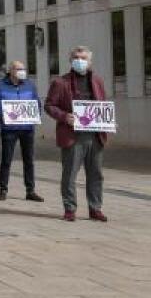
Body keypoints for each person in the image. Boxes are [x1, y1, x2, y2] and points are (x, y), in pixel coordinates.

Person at [45, 46, 109, 222]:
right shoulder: (60, 82)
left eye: (83, 58)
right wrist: (64, 116)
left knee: (96, 174)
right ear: (71, 60)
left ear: (90, 61)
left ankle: (95, 208)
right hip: (72, 135)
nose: (79, 60)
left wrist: (107, 121)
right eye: (76, 57)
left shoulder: (97, 81)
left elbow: (102, 104)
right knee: (70, 174)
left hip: (95, 135)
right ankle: (70, 208)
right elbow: (49, 105)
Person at [0, 60, 43, 203]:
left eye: (23, 69)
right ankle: (3, 189)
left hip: (27, 128)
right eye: (18, 69)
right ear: (10, 71)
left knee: (29, 160)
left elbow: (36, 104)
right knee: (6, 159)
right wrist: (1, 116)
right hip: (9, 129)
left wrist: (35, 116)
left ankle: (30, 190)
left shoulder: (30, 85)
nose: (21, 71)